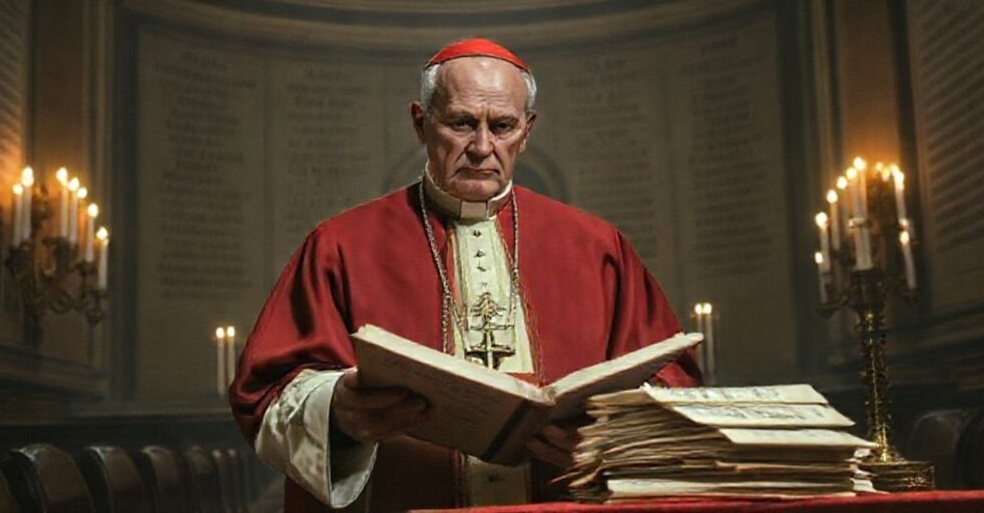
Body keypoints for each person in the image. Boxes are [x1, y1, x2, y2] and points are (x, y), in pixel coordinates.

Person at [230, 38, 700, 511]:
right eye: (461, 123)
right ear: (421, 122)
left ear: (527, 130)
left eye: (502, 126)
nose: (482, 147)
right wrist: (337, 412)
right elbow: (268, 393)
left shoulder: (599, 247)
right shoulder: (340, 245)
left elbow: (672, 383)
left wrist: (612, 438)